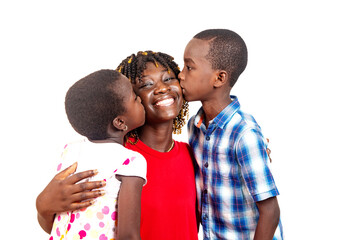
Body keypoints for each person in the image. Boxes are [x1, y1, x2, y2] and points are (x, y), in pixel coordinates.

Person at [36, 51, 199, 240]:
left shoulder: (192, 154)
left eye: (169, 78)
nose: (162, 88)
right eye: (146, 84)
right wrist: (43, 205)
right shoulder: (116, 159)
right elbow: (73, 226)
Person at [178, 29, 283, 240]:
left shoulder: (244, 134)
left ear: (219, 78)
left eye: (189, 67)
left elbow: (270, 211)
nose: (181, 74)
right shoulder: (194, 127)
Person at [47, 69, 147, 240]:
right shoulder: (131, 161)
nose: (141, 99)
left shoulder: (70, 151)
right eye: (135, 98)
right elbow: (128, 235)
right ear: (120, 122)